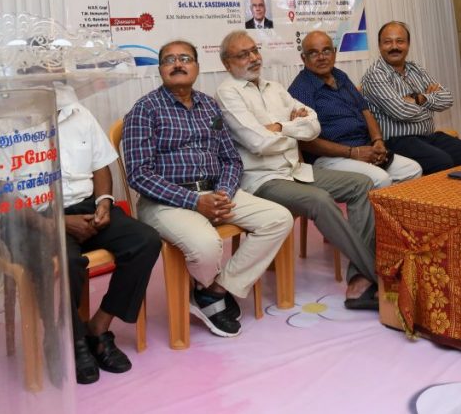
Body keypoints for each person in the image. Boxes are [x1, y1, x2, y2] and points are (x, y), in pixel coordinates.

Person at [122, 40, 292, 337]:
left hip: (215, 191)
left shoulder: (209, 106)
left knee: (278, 219)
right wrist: (195, 201)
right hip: (165, 201)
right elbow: (138, 175)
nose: (178, 64)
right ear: (160, 69)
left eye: (185, 58)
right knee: (207, 245)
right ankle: (208, 290)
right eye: (169, 60)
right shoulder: (144, 110)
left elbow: (230, 159)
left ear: (197, 67)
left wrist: (224, 192)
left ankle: (213, 290)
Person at [215, 31, 378, 310]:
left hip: (296, 170)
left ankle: (358, 277)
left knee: (362, 184)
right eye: (243, 55)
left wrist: (280, 127)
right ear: (227, 63)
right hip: (263, 179)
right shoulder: (227, 93)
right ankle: (377, 274)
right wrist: (293, 129)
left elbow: (314, 126)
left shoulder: (275, 88)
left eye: (254, 50)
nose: (253, 58)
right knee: (320, 201)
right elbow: (257, 142)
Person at [48, 83, 161, 383]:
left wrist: (104, 203)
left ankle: (98, 326)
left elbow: (100, 167)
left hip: (86, 205)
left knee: (145, 241)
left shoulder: (79, 113)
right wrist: (60, 222)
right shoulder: (9, 126)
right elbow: (4, 194)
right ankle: (72, 339)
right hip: (40, 215)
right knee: (69, 262)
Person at [288, 31, 422, 189]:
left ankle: (389, 204)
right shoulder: (301, 88)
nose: (322, 57)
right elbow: (306, 142)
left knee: (412, 170)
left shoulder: (340, 76)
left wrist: (377, 141)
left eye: (326, 50)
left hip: (364, 147)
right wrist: (353, 152)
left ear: (334, 52)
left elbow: (364, 110)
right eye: (313, 53)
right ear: (303, 58)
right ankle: (374, 204)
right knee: (381, 179)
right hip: (329, 157)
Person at [361, 21, 461, 174]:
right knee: (442, 162)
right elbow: (401, 112)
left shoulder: (416, 69)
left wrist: (419, 98)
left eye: (400, 41)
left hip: (428, 136)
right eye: (388, 42)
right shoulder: (375, 74)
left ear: (408, 44)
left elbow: (448, 99)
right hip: (397, 141)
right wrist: (429, 106)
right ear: (379, 46)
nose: (394, 46)